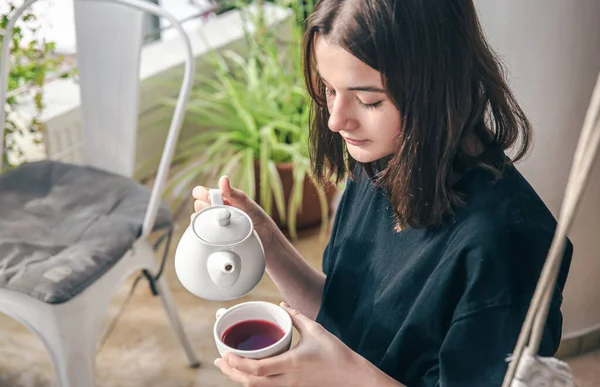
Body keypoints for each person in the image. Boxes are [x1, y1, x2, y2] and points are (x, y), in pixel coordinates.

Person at [192, 0, 573, 385]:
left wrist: (340, 373)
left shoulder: (506, 246)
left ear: (437, 87)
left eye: (368, 100)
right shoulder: (382, 160)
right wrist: (267, 239)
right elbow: (348, 315)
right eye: (328, 89)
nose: (336, 119)